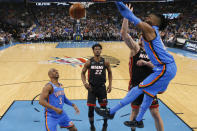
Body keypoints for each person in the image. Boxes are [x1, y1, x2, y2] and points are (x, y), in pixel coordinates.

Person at [95, 2, 177, 129]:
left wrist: (120, 4)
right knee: (147, 95)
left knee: (141, 92)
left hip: (164, 69)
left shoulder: (150, 30)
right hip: (163, 70)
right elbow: (125, 32)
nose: (147, 17)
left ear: (156, 23)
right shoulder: (138, 46)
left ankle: (111, 112)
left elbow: (134, 18)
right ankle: (138, 121)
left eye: (151, 17)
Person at [121, 16, 164, 131]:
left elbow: (159, 67)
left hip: (150, 86)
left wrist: (146, 63)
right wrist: (126, 17)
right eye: (141, 37)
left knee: (155, 113)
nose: (142, 39)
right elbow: (124, 34)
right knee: (134, 111)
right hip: (136, 86)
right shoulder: (135, 49)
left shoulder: (155, 53)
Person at [81, 44, 112, 131]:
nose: (97, 50)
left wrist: (110, 84)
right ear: (93, 51)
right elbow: (82, 73)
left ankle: (105, 124)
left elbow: (110, 72)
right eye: (96, 49)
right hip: (92, 88)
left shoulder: (105, 62)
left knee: (104, 108)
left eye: (99, 49)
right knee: (91, 109)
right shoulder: (89, 62)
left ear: (101, 50)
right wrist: (84, 83)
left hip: (102, 88)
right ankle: (92, 126)